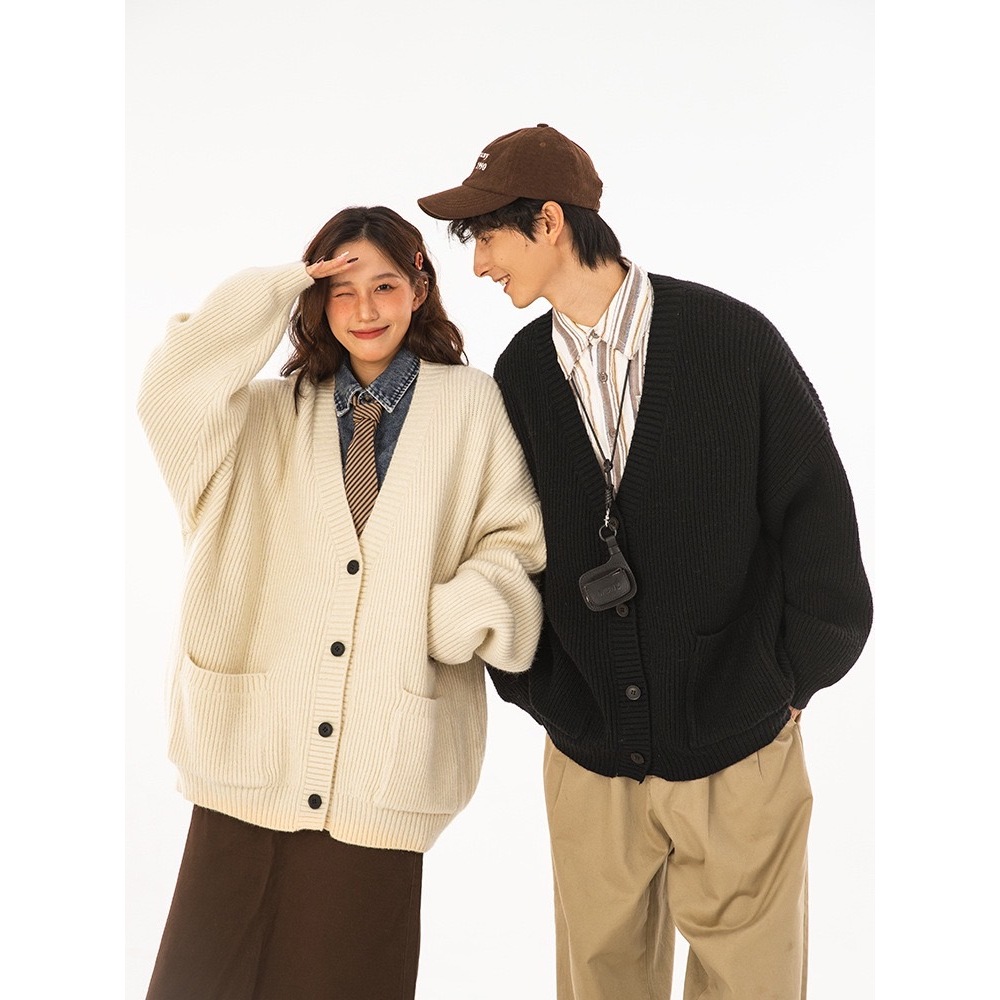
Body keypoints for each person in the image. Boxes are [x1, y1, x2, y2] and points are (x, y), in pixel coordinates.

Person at [418, 125, 873, 999]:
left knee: (754, 988)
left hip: (741, 753)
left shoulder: (733, 343)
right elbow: (498, 544)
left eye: (487, 236)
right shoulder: (520, 377)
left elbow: (818, 526)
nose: (477, 265)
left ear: (550, 222)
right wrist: (544, 690)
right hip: (590, 758)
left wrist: (785, 682)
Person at [137, 205, 545, 1000]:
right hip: (246, 759)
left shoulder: (470, 406)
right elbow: (168, 388)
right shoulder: (253, 418)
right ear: (315, 300)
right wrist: (284, 282)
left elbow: (517, 546)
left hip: (382, 772)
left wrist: (444, 617)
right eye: (341, 289)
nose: (365, 310)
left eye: (385, 285)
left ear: (419, 290)